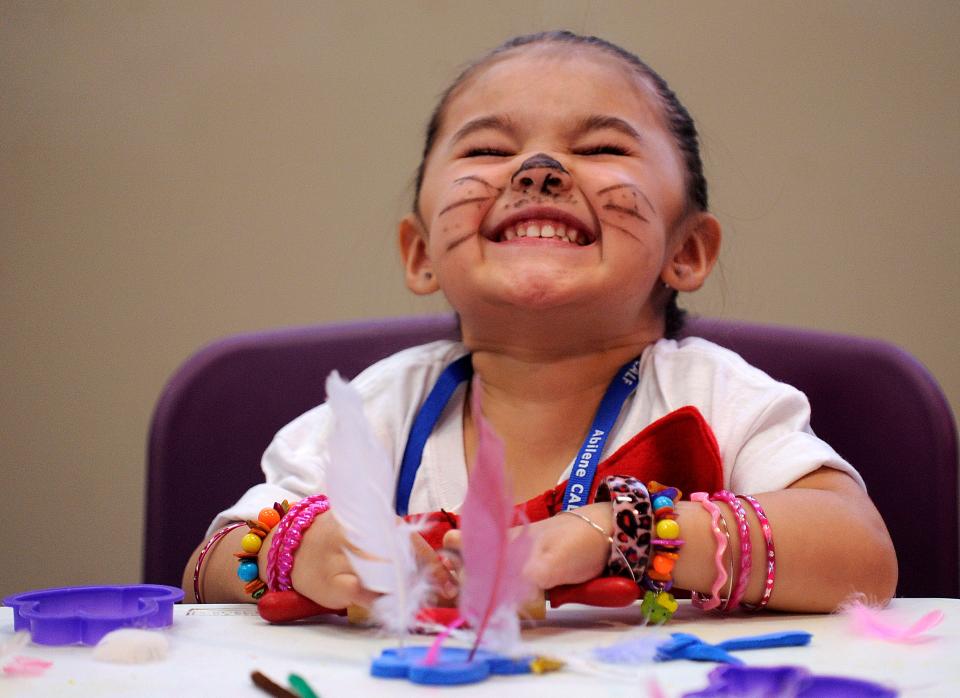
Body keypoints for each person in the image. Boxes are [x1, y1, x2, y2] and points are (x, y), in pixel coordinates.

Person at [182, 31, 897, 617]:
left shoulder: (719, 397)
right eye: (488, 150)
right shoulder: (378, 410)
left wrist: (627, 533)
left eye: (602, 148)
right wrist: (296, 552)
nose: (540, 168)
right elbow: (206, 564)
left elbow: (861, 554)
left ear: (687, 251)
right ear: (421, 252)